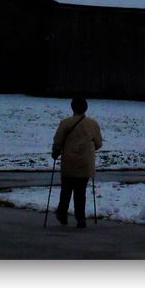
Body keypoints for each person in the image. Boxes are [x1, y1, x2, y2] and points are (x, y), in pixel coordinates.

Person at [51, 97, 104, 228]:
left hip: (69, 161)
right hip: (85, 163)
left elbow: (58, 141)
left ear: (72, 108)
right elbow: (98, 143)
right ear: (86, 108)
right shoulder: (93, 124)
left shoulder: (65, 123)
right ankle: (81, 218)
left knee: (66, 190)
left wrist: (56, 152)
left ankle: (62, 213)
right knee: (81, 192)